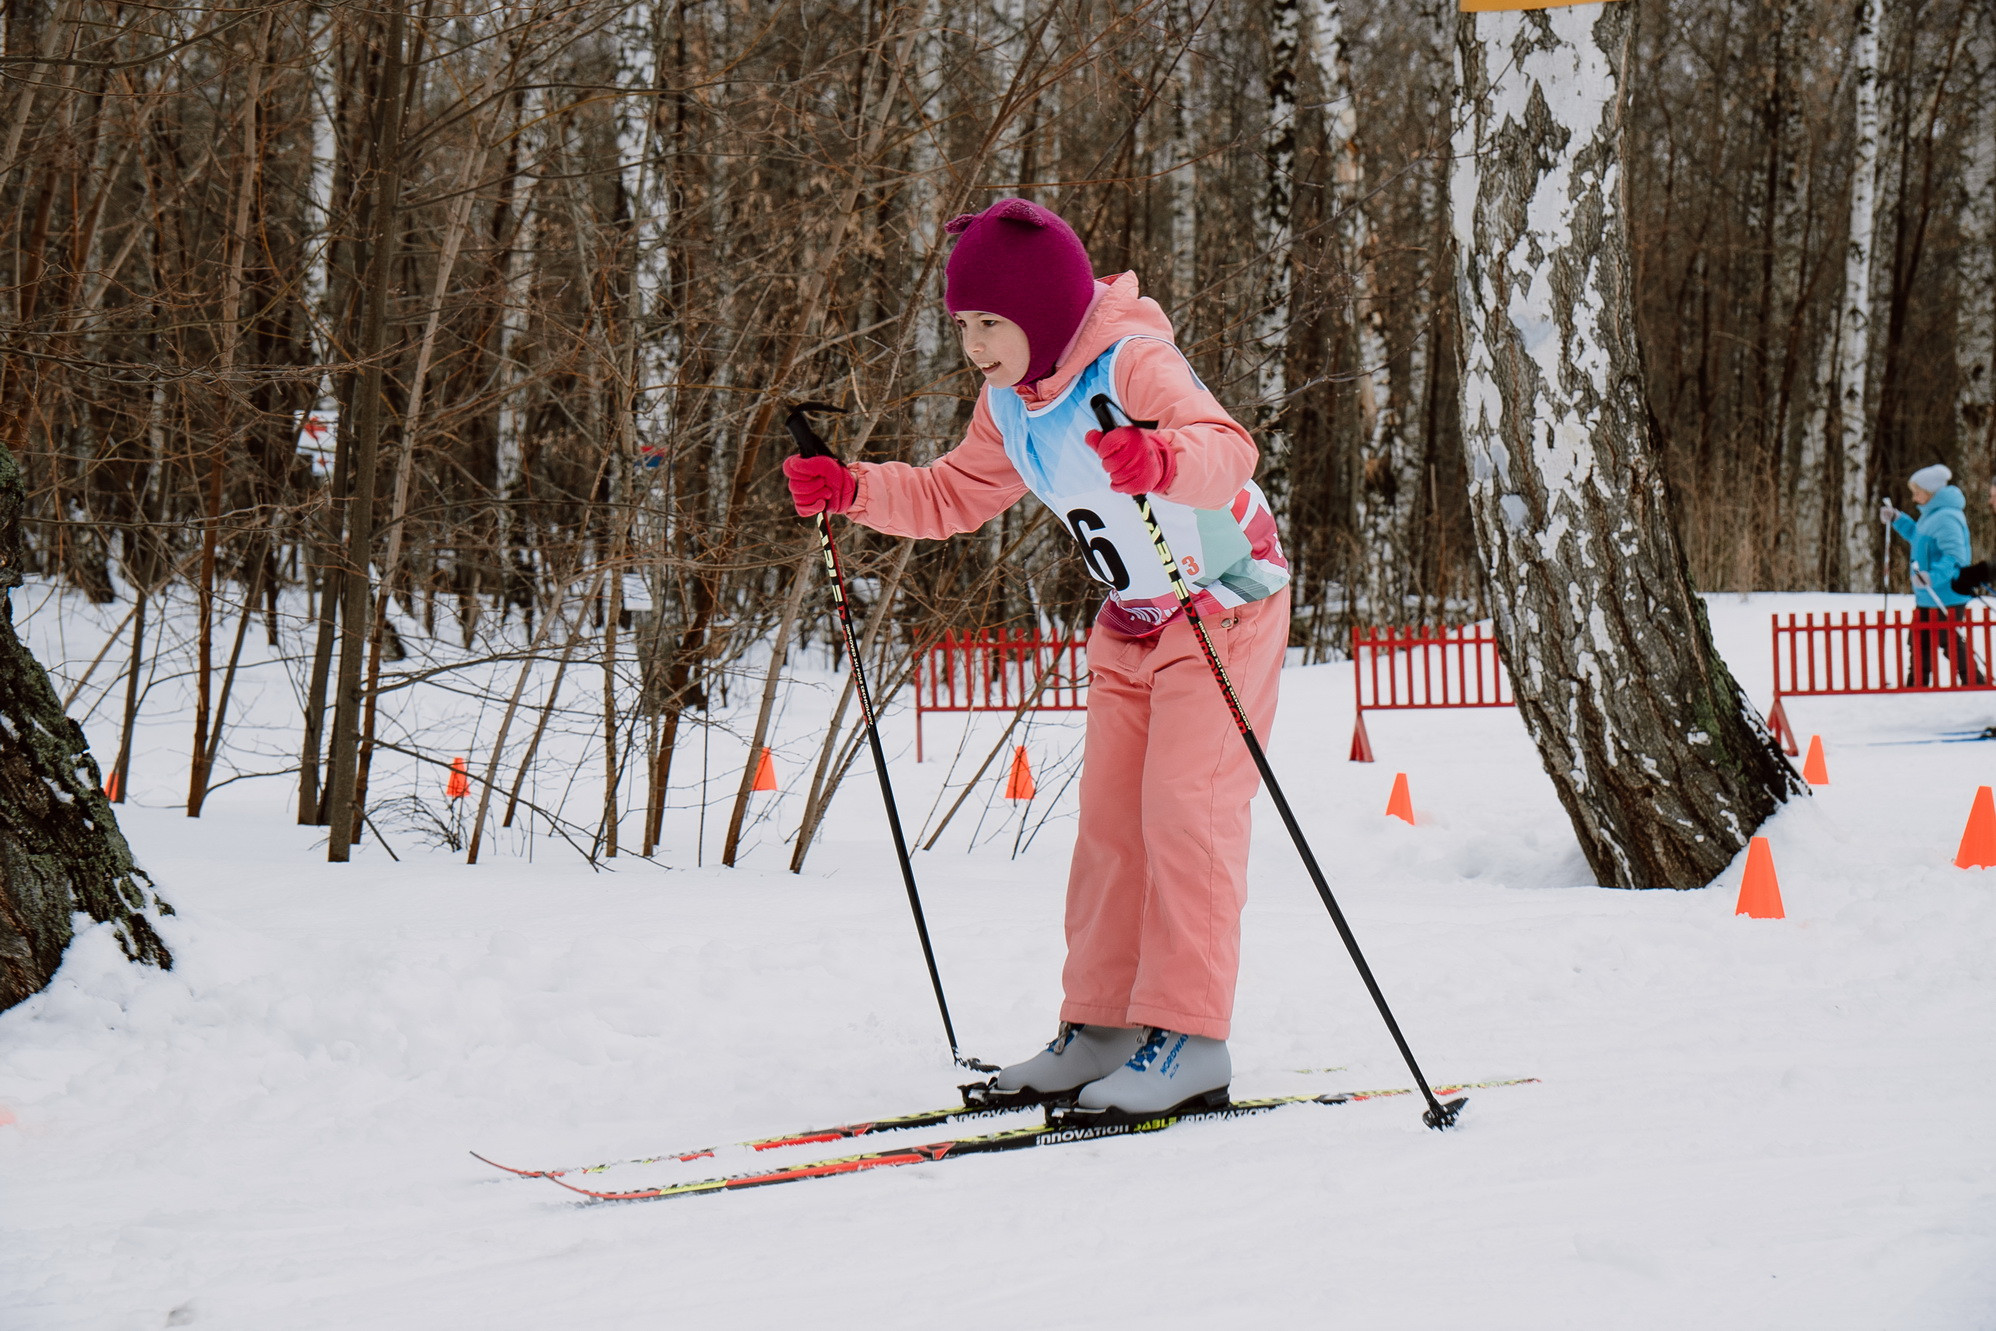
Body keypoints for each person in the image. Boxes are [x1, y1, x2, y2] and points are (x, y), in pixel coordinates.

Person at [781, 199, 1290, 1115]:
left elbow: (1226, 448)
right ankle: (1102, 1027)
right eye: (964, 324)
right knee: (1109, 825)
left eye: (991, 323)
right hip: (1133, 616)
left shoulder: (1132, 360)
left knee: (1187, 813)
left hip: (1225, 603)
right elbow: (953, 494)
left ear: (1045, 313)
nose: (975, 344)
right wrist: (853, 491)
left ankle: (1192, 1037)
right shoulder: (1010, 405)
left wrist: (1160, 458)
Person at [1882, 464, 1981, 685]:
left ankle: (1975, 683)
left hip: (1947, 592)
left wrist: (1932, 577)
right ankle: (1916, 683)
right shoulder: (1931, 516)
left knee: (1948, 640)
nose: (1915, 498)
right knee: (1919, 639)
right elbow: (1919, 537)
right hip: (1928, 594)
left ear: (1931, 492)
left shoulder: (1947, 518)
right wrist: (1898, 518)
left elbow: (1956, 557)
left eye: (1917, 492)